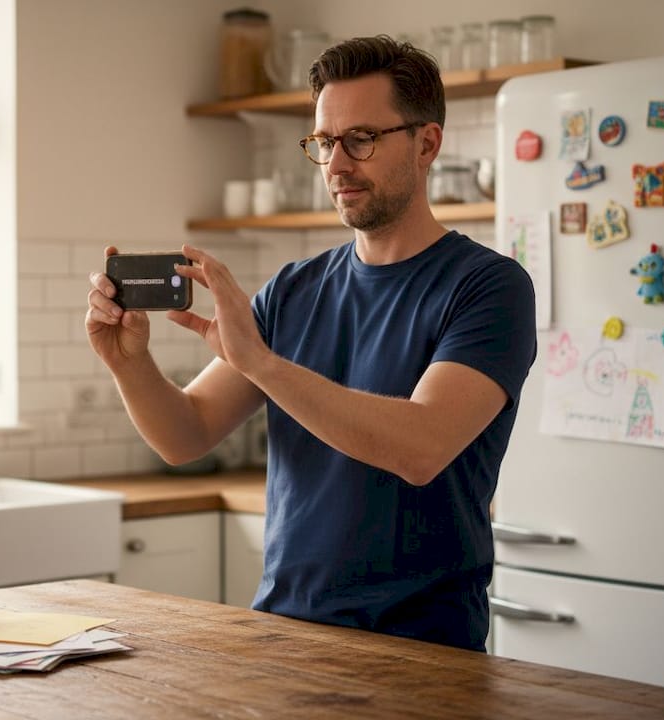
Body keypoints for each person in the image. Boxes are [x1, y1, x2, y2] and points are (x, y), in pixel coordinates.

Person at [86, 35, 536, 652]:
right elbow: (185, 434)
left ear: (427, 143)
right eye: (325, 143)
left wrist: (260, 363)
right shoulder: (294, 289)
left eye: (361, 139)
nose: (337, 165)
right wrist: (129, 364)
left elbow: (421, 447)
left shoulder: (489, 286)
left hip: (424, 648)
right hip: (283, 633)